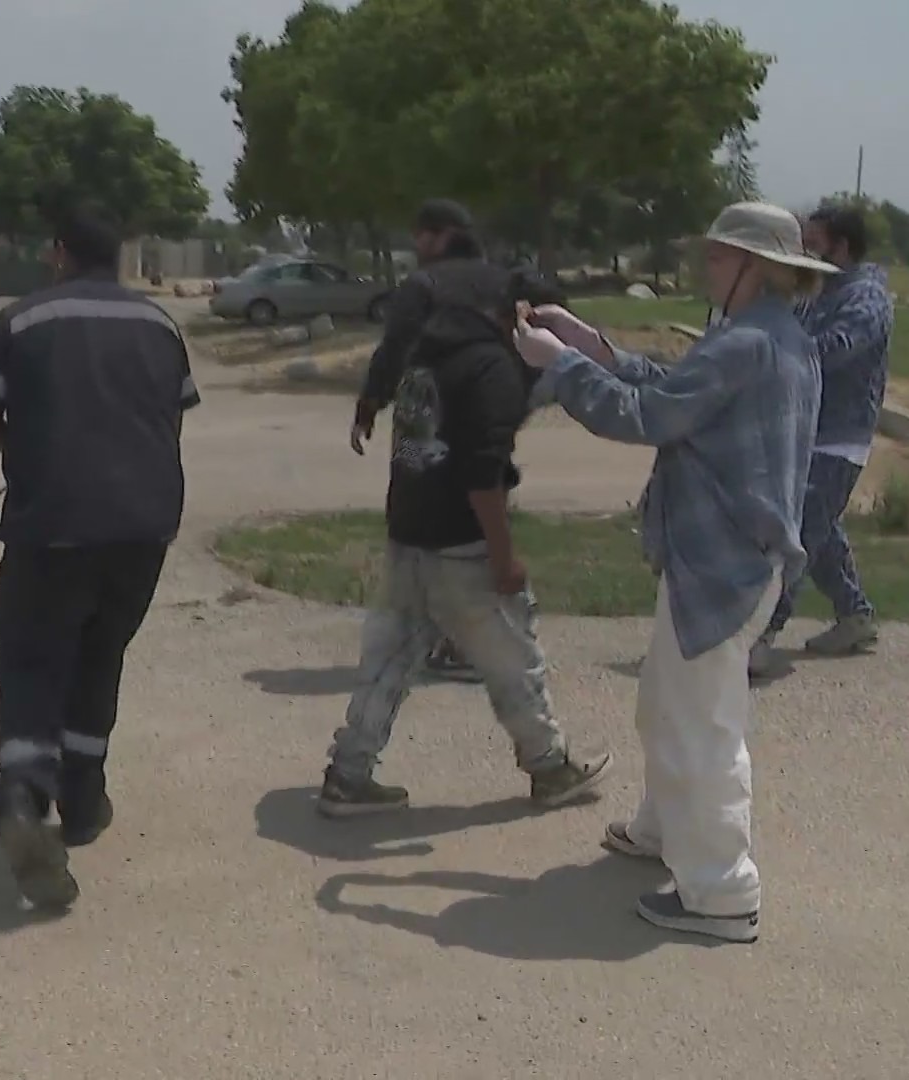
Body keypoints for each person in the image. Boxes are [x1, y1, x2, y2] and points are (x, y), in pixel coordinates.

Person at [512, 201, 834, 943]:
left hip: (723, 562)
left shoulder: (746, 342)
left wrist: (557, 366)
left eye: (721, 256)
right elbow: (675, 391)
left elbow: (649, 417)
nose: (707, 267)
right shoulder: (768, 336)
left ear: (761, 267)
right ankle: (665, 829)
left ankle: (722, 892)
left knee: (701, 723)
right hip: (730, 557)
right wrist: (594, 346)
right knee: (668, 697)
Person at [0, 202, 200, 910]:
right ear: (118, 257)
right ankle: (85, 803)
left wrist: (29, 448)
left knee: (33, 659)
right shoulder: (160, 324)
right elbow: (167, 416)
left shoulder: (24, 320)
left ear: (60, 253)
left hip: (54, 525)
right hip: (144, 524)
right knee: (101, 653)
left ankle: (23, 800)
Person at [316, 259, 613, 818]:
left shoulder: (427, 358)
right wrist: (502, 556)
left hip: (410, 527)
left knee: (391, 657)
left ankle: (349, 773)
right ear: (523, 317)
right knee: (512, 657)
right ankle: (550, 768)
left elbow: (413, 447)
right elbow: (484, 472)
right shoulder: (492, 369)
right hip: (462, 542)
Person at [749, 204, 893, 676]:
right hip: (801, 429)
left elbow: (834, 350)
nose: (803, 251)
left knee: (799, 526)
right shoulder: (814, 291)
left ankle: (760, 634)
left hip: (840, 437)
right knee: (819, 528)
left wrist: (776, 351)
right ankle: (855, 616)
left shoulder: (867, 298)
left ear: (842, 247)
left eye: (812, 242)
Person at [352, 197, 490, 682]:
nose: (416, 244)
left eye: (422, 234)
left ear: (441, 235)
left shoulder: (423, 286)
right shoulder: (497, 281)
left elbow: (395, 348)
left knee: (418, 524)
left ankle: (458, 641)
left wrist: (370, 403)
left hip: (426, 421)